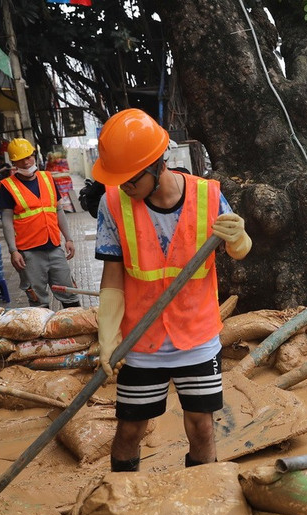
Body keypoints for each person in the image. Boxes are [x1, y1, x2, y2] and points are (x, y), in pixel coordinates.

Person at [91, 108, 252, 472]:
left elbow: (237, 249)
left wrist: (240, 238)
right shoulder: (113, 203)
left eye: (131, 180)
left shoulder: (208, 196)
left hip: (196, 337)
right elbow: (113, 276)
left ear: (155, 166)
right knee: (130, 429)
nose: (125, 188)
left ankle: (202, 495)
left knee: (201, 428)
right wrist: (108, 336)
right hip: (141, 341)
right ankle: (121, 501)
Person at [0, 137, 80, 309]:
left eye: (28, 157)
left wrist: (69, 238)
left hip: (54, 247)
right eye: (20, 159)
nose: (26, 162)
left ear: (34, 156)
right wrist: (13, 251)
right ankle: (43, 334)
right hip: (29, 253)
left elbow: (58, 210)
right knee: (38, 302)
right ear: (14, 162)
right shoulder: (8, 186)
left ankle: (76, 332)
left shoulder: (48, 178)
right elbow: (7, 221)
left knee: (70, 293)